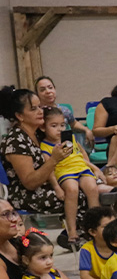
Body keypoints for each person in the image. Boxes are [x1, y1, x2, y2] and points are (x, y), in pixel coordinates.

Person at [0, 86, 87, 241]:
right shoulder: (15, 140)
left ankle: (79, 234)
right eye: (33, 109)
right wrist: (54, 159)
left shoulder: (39, 134)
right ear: (20, 115)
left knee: (91, 187)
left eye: (40, 106)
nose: (40, 111)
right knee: (78, 195)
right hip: (25, 194)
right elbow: (30, 183)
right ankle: (75, 235)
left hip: (48, 183)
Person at [33, 76, 91, 144]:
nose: (48, 91)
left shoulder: (64, 110)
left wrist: (86, 130)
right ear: (37, 94)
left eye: (50, 88)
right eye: (42, 90)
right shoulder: (36, 113)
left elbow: (73, 123)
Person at [0, 200, 24, 279]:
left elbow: (54, 272)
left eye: (13, 213)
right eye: (5, 214)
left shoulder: (18, 242)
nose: (14, 219)